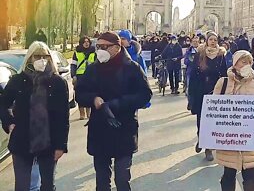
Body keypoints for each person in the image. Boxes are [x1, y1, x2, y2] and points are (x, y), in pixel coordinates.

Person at [75, 31, 152, 191]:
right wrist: (93, 99)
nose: (100, 50)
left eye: (105, 47)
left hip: (123, 128)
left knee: (122, 179)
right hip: (99, 129)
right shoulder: (93, 69)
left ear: (117, 47)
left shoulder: (132, 68)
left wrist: (117, 104)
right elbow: (80, 94)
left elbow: (145, 95)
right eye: (98, 46)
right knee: (102, 182)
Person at [0, 41, 69, 191]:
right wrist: (9, 122)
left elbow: (63, 117)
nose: (42, 60)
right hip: (22, 140)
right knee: (22, 186)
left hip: (48, 142)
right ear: (30, 58)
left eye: (45, 56)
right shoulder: (18, 81)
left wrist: (61, 145)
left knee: (48, 185)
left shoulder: (58, 82)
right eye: (37, 56)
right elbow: (3, 103)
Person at [213, 50, 254, 191]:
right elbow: (214, 111)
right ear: (235, 64)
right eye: (243, 61)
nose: (247, 64)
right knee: (229, 174)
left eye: (249, 62)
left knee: (251, 176)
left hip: (249, 139)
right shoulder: (223, 83)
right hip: (230, 138)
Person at [188, 31, 227, 161]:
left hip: (215, 91)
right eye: (211, 39)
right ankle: (201, 138)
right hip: (201, 90)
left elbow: (224, 74)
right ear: (206, 41)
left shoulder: (221, 55)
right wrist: (191, 95)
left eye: (215, 39)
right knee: (201, 118)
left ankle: (208, 148)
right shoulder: (200, 54)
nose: (213, 42)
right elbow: (193, 74)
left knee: (212, 120)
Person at [71, 36, 96, 120]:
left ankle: (88, 113)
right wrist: (73, 75)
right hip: (80, 76)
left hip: (90, 76)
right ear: (81, 43)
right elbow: (73, 65)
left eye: (88, 41)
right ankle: (82, 113)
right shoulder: (77, 53)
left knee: (89, 94)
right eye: (84, 42)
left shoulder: (93, 52)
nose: (86, 43)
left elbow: (97, 65)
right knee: (80, 95)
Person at [184, 36, 200, 110]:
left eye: (196, 42)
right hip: (190, 72)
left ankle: (196, 103)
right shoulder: (188, 51)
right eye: (194, 42)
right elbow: (185, 61)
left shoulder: (201, 50)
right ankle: (190, 102)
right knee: (189, 89)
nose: (195, 43)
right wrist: (191, 61)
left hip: (200, 72)